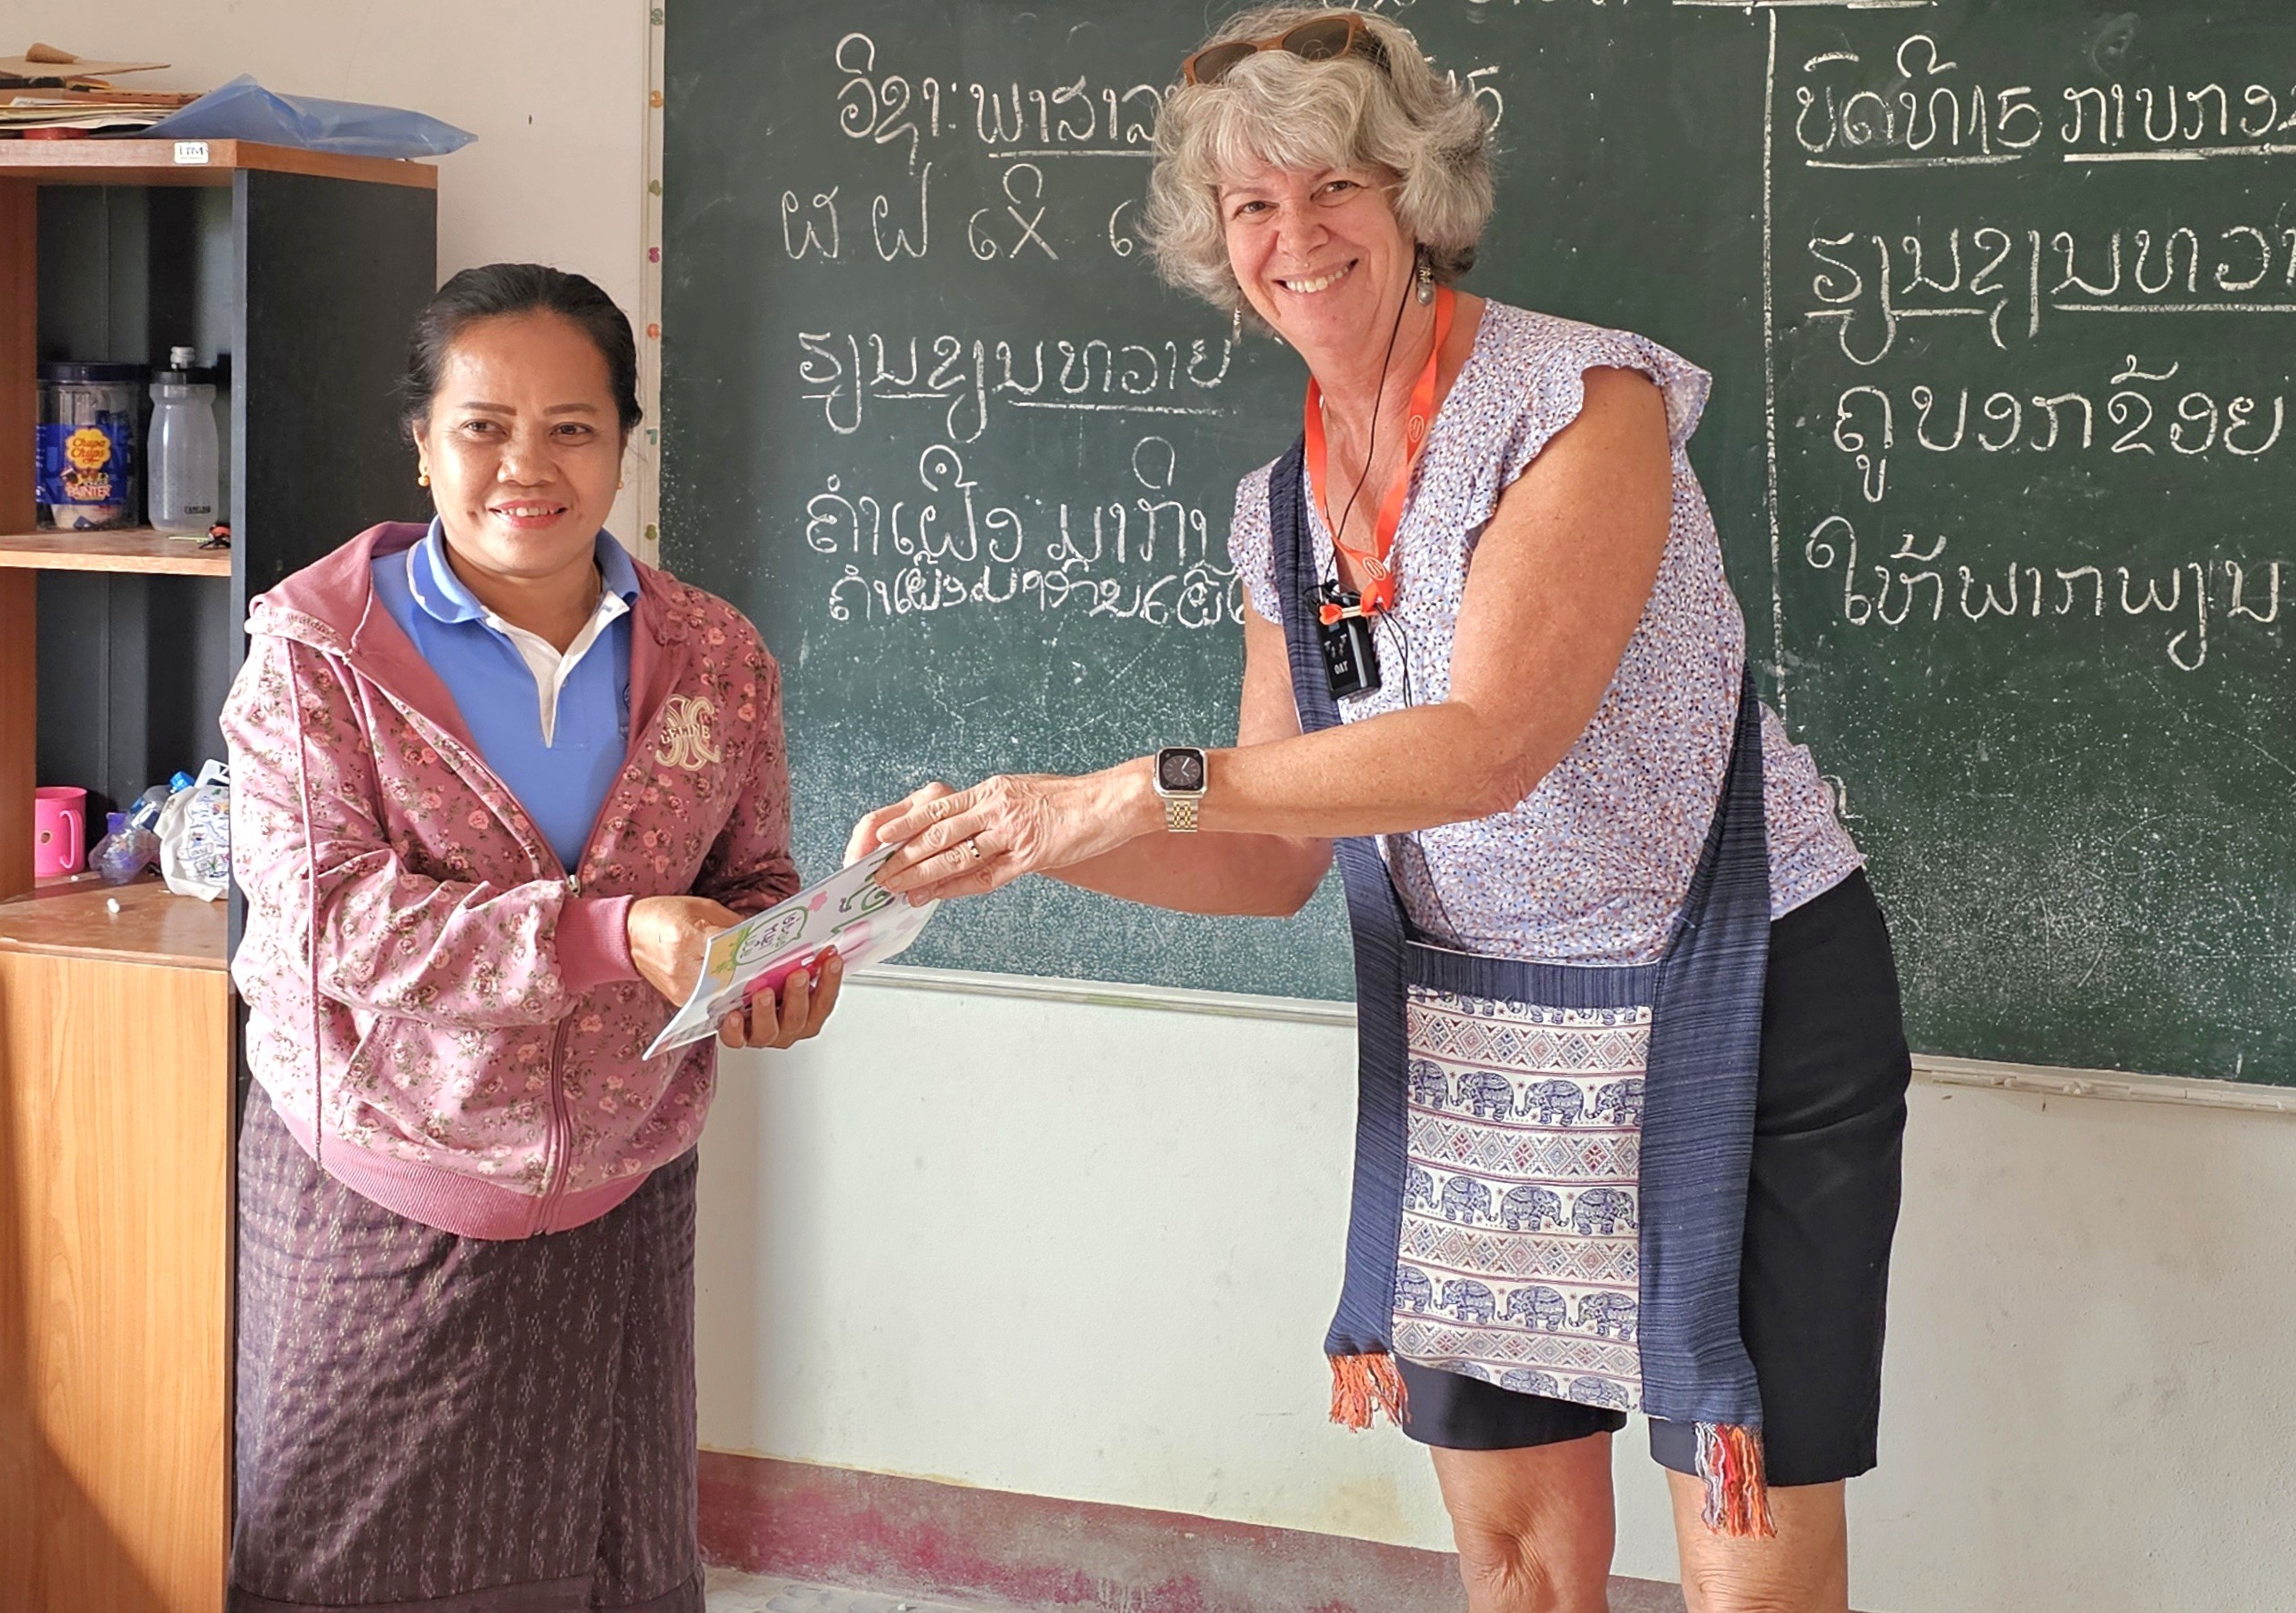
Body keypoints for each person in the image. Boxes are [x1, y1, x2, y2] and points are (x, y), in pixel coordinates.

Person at [851, 12, 1908, 1612]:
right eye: (1251, 206)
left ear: (1414, 193)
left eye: (1331, 184)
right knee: (1513, 1552)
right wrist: (1042, 845)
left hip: (1737, 995)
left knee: (1740, 1547)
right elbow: (1276, 857)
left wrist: (1139, 786)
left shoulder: (1580, 401)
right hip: (1481, 1035)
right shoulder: (1275, 508)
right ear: (1216, 244)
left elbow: (1489, 744)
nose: (1294, 235)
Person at [221, 263, 843, 1613]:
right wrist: (615, 935)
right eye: (482, 426)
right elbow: (331, 918)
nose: (526, 466)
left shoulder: (714, 655)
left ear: (623, 439)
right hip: (378, 1196)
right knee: (338, 1579)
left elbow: (751, 875)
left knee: (608, 1577)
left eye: (572, 426)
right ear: (421, 440)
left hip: (621, 1205)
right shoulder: (318, 654)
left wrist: (771, 968)